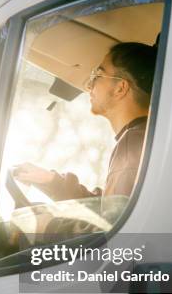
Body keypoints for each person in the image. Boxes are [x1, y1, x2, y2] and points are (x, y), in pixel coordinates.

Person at [14, 42, 157, 201]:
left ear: (120, 88)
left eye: (98, 76)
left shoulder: (133, 145)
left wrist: (48, 225)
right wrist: (51, 181)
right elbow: (109, 206)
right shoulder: (145, 139)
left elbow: (113, 220)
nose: (89, 85)